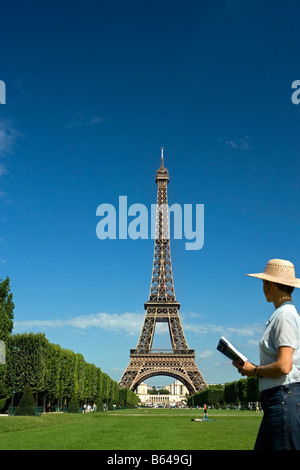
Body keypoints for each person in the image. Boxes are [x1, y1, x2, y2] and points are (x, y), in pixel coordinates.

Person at [232, 259, 300, 450]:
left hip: (283, 399)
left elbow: (284, 366)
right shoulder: (283, 315)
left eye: (263, 283)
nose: (262, 288)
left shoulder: (284, 316)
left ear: (270, 285)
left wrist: (254, 370)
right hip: (279, 401)